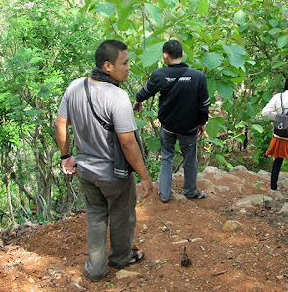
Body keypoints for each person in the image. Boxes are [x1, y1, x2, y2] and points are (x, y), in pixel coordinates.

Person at [54, 40, 153, 282]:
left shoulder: (75, 87)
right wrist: (145, 176)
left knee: (96, 217)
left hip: (86, 171)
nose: (129, 67)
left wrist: (66, 156)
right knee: (122, 215)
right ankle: (120, 259)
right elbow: (128, 143)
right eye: (125, 62)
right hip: (114, 174)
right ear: (108, 66)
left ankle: (95, 269)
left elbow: (60, 123)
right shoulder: (117, 96)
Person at [133, 40, 210, 202]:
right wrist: (202, 123)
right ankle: (190, 191)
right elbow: (203, 104)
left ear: (165, 56)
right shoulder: (197, 76)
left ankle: (164, 194)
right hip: (189, 128)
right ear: (182, 54)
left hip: (167, 126)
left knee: (167, 158)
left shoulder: (159, 75)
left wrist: (138, 101)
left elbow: (146, 91)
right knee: (190, 160)